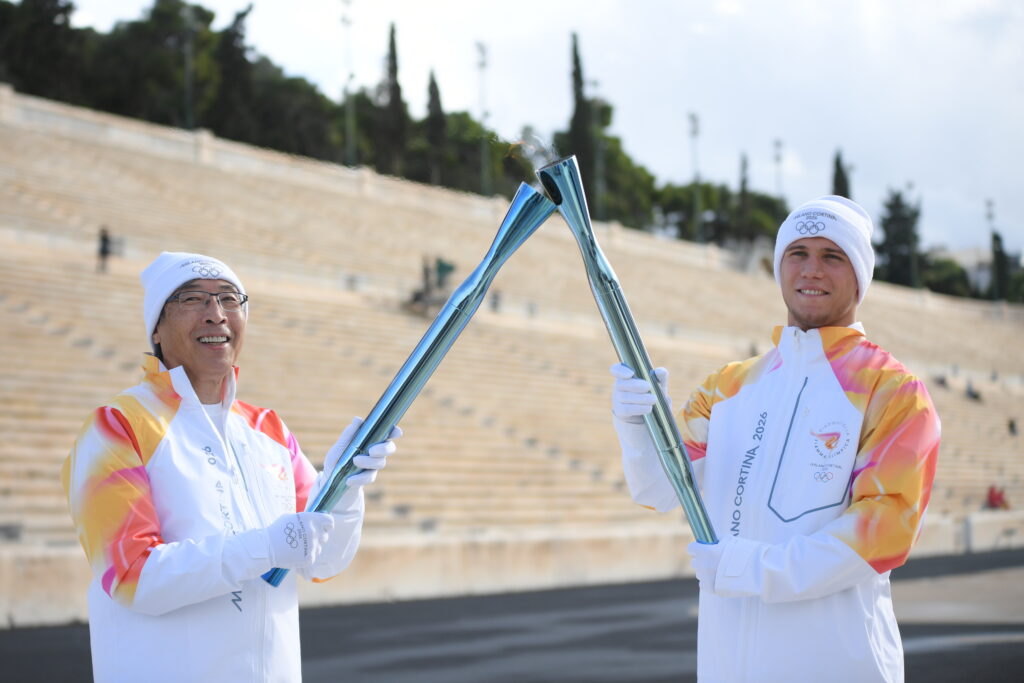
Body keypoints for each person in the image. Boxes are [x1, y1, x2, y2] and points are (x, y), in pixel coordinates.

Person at [610, 196, 940, 682]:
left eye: (832, 255)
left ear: (860, 275)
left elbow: (886, 530)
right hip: (726, 667)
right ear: (780, 266)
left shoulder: (893, 392)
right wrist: (637, 427)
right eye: (797, 253)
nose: (811, 269)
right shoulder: (727, 386)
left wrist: (753, 568)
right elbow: (658, 488)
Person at [62, 251, 401, 682]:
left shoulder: (268, 429)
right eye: (191, 299)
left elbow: (322, 562)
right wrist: (266, 547)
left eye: (228, 298)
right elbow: (134, 576)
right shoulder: (118, 425)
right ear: (157, 330)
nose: (216, 314)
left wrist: (345, 490)